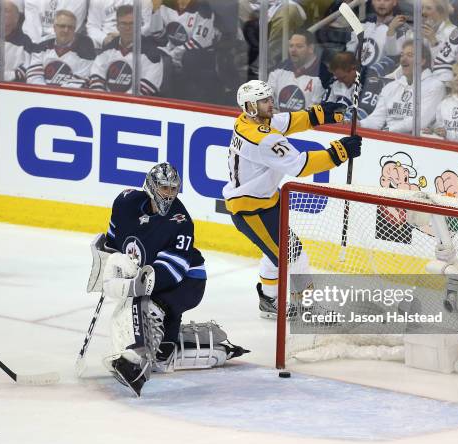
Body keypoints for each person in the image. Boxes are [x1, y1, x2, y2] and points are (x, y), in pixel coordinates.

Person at [95, 163, 246, 396]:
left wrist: (139, 284)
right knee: (161, 349)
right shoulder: (125, 203)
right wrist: (108, 264)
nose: (169, 193)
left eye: (173, 189)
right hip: (151, 277)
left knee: (147, 306)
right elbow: (113, 244)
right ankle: (168, 346)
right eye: (164, 188)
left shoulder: (180, 220)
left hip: (187, 281)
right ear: (151, 186)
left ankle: (136, 365)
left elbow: (173, 269)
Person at [222, 79, 362, 318]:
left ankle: (268, 301)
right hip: (251, 210)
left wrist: (318, 115)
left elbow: (285, 122)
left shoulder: (247, 121)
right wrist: (339, 153)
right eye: (264, 100)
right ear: (251, 105)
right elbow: (299, 165)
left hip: (263, 201)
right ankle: (307, 308)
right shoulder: (262, 138)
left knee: (275, 253)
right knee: (293, 255)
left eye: (269, 98)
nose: (271, 103)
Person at [360, 40, 446, 133]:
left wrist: (387, 130)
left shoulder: (435, 86)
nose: (403, 59)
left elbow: (419, 122)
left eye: (410, 55)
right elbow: (376, 120)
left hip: (415, 143)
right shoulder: (391, 87)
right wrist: (358, 124)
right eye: (402, 55)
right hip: (388, 137)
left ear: (422, 61)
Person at [89, 4, 164, 95]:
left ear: (140, 25)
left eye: (132, 23)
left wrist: (118, 102)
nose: (128, 28)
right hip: (105, 103)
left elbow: (144, 91)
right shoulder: (108, 49)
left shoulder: (152, 54)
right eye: (123, 24)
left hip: (134, 106)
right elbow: (96, 78)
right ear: (117, 26)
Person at [26, 9, 95, 87]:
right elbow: (34, 76)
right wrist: (45, 92)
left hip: (68, 97)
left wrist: (56, 95)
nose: (66, 30)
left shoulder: (85, 51)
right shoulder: (41, 47)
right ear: (54, 27)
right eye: (62, 26)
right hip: (41, 94)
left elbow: (79, 82)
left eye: (70, 27)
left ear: (74, 30)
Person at [267, 30, 327, 112]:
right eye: (291, 46)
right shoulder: (279, 69)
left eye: (299, 46)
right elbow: (267, 100)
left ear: (311, 48)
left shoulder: (324, 75)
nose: (293, 50)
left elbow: (317, 113)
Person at [22, 0, 87, 45]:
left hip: (63, 46)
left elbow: (68, 27)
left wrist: (42, 45)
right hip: (30, 42)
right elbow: (31, 24)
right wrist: (35, 45)